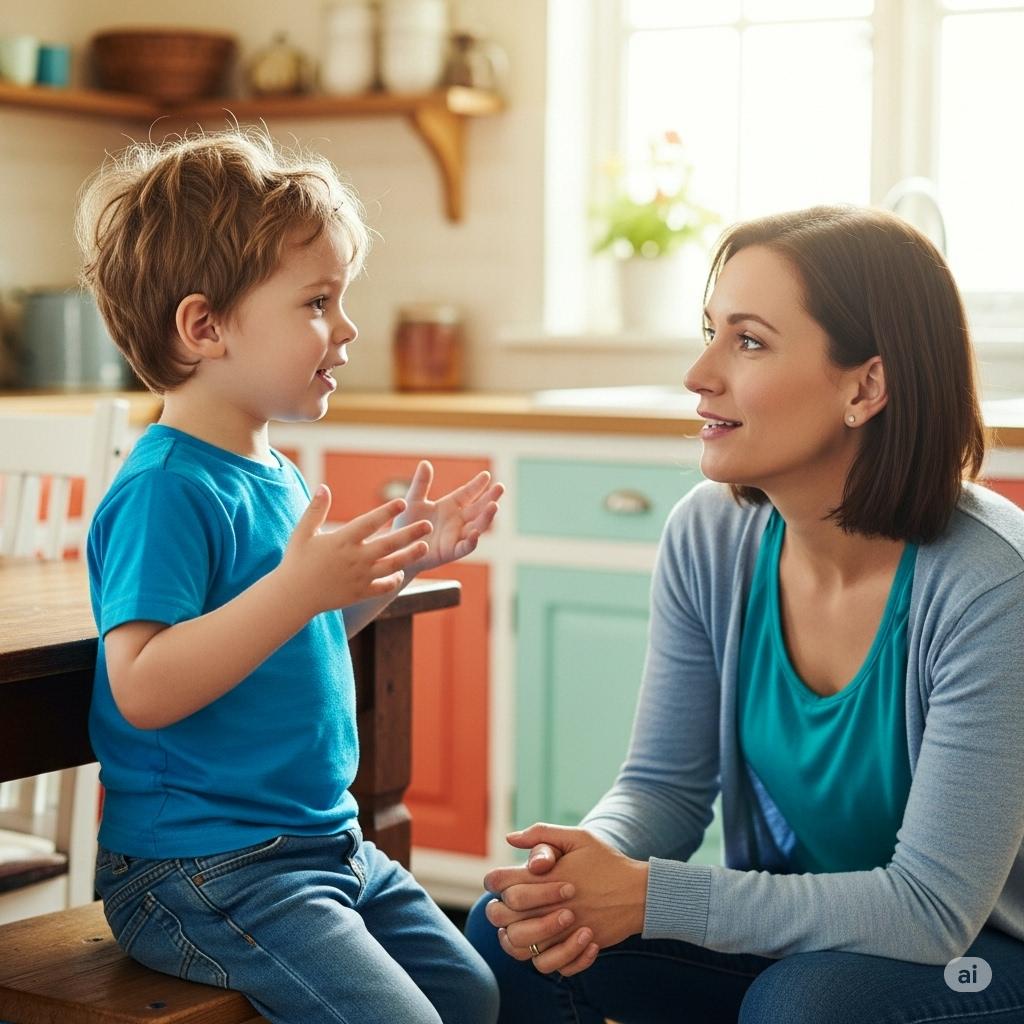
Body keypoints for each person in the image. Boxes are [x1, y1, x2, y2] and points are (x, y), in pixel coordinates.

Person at [466, 205, 1024, 1023]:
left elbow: (931, 910)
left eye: (749, 341)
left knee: (806, 1004)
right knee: (515, 931)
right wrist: (579, 867)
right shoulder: (711, 532)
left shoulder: (991, 585)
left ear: (865, 385)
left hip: (979, 954)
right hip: (811, 931)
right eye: (709, 330)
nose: (699, 372)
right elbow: (663, 787)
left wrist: (653, 897)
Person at [74, 126, 501, 1024]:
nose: (346, 329)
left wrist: (388, 570)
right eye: (317, 302)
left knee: (471, 994)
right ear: (205, 326)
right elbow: (143, 688)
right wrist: (300, 587)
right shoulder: (165, 489)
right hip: (199, 870)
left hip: (321, 845)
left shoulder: (276, 476)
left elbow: (291, 638)